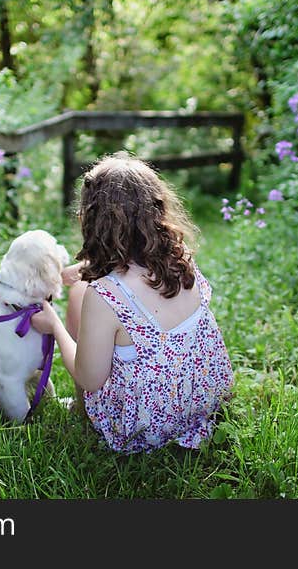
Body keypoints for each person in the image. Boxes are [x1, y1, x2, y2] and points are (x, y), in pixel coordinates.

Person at [29, 153, 234, 453]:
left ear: (94, 220)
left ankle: (83, 411)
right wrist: (88, 269)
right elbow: (135, 281)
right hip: (202, 402)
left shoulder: (103, 296)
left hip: (145, 425)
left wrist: (55, 326)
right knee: (86, 292)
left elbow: (90, 378)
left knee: (78, 295)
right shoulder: (181, 260)